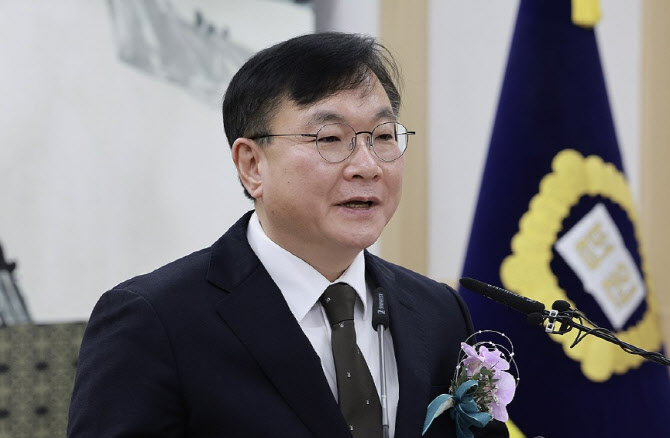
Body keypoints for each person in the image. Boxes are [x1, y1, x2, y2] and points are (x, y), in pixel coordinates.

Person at [67, 32, 508, 438]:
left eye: (383, 135)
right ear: (252, 165)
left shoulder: (438, 311)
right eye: (330, 138)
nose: (367, 165)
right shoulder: (154, 320)